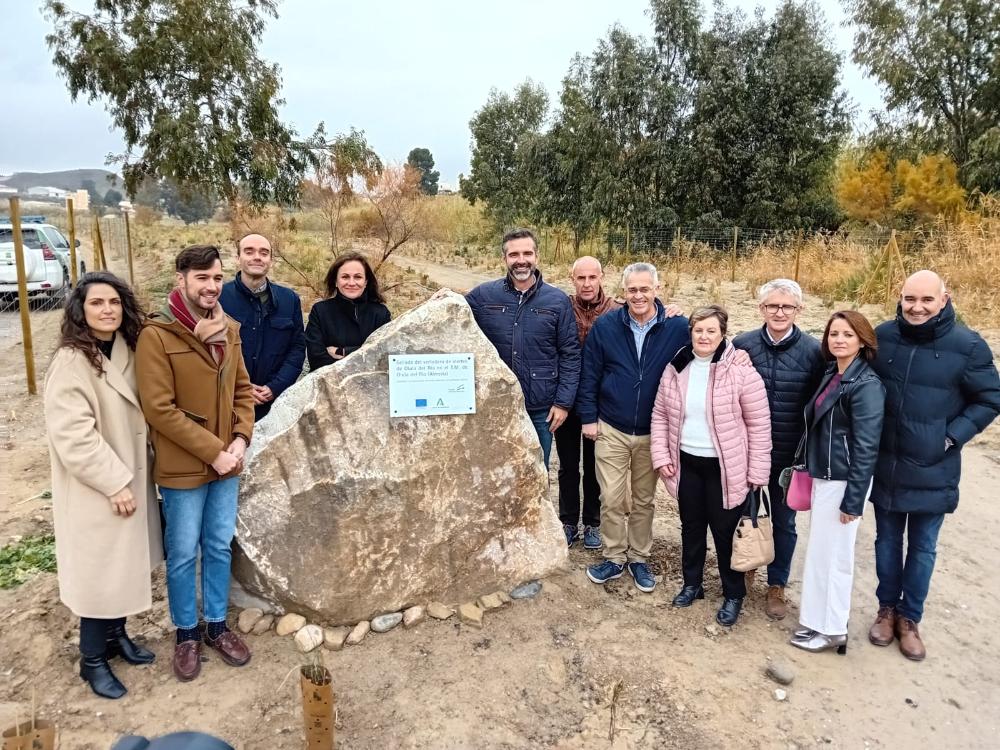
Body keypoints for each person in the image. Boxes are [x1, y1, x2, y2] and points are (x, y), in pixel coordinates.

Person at [136, 244, 255, 683]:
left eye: (217, 277)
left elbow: (242, 390)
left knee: (219, 546)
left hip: (227, 462)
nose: (211, 286)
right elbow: (159, 408)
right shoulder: (157, 335)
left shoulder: (230, 329)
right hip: (184, 466)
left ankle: (217, 626)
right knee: (184, 552)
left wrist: (240, 438)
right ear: (181, 279)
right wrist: (214, 452)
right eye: (202, 278)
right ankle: (186, 632)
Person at [867, 270, 1000, 661]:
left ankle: (910, 618)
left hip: (934, 466)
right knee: (886, 542)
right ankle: (886, 609)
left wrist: (951, 436)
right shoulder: (882, 337)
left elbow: (990, 398)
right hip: (887, 463)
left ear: (945, 299)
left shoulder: (968, 346)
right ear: (900, 297)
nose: (917, 307)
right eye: (910, 299)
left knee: (923, 547)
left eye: (927, 300)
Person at [43, 271, 163, 699]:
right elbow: (73, 436)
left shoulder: (126, 348)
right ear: (81, 310)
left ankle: (116, 638)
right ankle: (91, 659)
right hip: (98, 488)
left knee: (124, 567)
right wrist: (114, 483)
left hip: (132, 476)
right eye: (97, 303)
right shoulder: (71, 362)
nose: (107, 310)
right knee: (100, 573)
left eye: (114, 302)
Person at [650, 305, 771, 626]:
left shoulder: (740, 370)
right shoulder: (677, 367)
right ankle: (692, 584)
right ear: (690, 333)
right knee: (691, 528)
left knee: (724, 532)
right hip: (686, 463)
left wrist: (757, 471)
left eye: (711, 331)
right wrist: (661, 456)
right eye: (698, 330)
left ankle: (733, 594)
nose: (704, 336)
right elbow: (660, 414)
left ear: (722, 334)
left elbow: (759, 424)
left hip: (725, 468)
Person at [577, 263, 689, 592]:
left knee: (643, 499)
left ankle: (639, 557)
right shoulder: (607, 325)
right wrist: (588, 417)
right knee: (611, 497)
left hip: (654, 430)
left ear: (657, 289)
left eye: (644, 289)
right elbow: (590, 372)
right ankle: (613, 556)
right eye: (632, 290)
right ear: (623, 292)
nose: (638, 296)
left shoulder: (677, 327)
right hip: (611, 426)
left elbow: (708, 344)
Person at [790, 311, 884, 654]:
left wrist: (853, 500)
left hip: (843, 481)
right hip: (825, 475)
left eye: (847, 334)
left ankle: (832, 629)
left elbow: (866, 447)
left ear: (862, 340)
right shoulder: (833, 373)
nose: (839, 340)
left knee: (835, 557)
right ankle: (815, 621)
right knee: (820, 553)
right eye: (834, 334)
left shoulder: (867, 385)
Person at [733, 279, 825, 619]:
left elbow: (818, 406)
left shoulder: (815, 352)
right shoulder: (742, 345)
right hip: (747, 452)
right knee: (746, 515)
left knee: (785, 522)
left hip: (789, 456)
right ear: (761, 308)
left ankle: (777, 584)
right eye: (772, 305)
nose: (779, 312)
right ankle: (745, 569)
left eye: (787, 306)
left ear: (799, 310)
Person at [465, 228, 580, 468]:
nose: (521, 260)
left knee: (536, 472)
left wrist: (563, 403)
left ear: (536, 256)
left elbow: (570, 355)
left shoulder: (557, 300)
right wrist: (441, 297)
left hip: (540, 409)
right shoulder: (484, 295)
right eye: (514, 254)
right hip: (496, 404)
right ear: (504, 258)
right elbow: (454, 309)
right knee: (495, 471)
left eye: (527, 253)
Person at [555, 256, 620, 548]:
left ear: (601, 277)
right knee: (568, 465)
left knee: (595, 466)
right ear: (572, 279)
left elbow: (649, 314)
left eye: (592, 277)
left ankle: (593, 522)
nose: (587, 284)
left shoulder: (617, 310)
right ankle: (568, 521)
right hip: (566, 399)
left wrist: (669, 308)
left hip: (600, 402)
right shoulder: (562, 306)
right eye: (581, 278)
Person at [219, 233, 305, 420]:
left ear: (271, 260)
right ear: (237, 258)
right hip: (228, 402)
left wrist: (276, 386)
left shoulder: (289, 300)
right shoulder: (219, 299)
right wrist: (239, 387)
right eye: (249, 252)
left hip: (275, 405)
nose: (257, 257)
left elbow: (297, 348)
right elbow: (208, 352)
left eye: (264, 253)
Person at [305, 252, 391, 372]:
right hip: (328, 381)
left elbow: (384, 355)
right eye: (345, 277)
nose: (351, 283)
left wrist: (343, 351)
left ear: (366, 282)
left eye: (358, 277)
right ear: (335, 281)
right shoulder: (320, 311)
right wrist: (363, 354)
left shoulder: (381, 313)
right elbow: (316, 359)